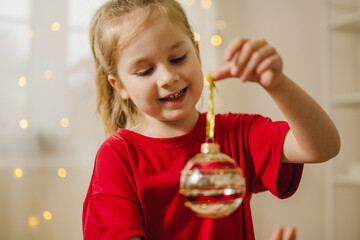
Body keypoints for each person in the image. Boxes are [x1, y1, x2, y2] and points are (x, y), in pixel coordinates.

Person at [82, 0, 340, 239]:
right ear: (120, 86)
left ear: (197, 52)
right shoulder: (118, 157)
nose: (167, 77)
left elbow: (323, 147)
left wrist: (278, 84)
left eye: (178, 58)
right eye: (145, 71)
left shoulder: (237, 132)